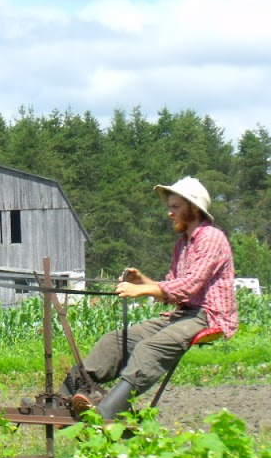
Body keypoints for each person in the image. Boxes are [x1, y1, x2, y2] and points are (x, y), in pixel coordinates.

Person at [60, 176, 237, 420]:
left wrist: (142, 291)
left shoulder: (211, 237)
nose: (170, 213)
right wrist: (144, 282)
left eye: (175, 207)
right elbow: (173, 288)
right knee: (113, 341)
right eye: (170, 207)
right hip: (183, 314)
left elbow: (190, 284)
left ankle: (107, 413)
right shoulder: (182, 244)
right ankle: (62, 401)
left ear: (194, 208)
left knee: (149, 348)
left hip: (207, 316)